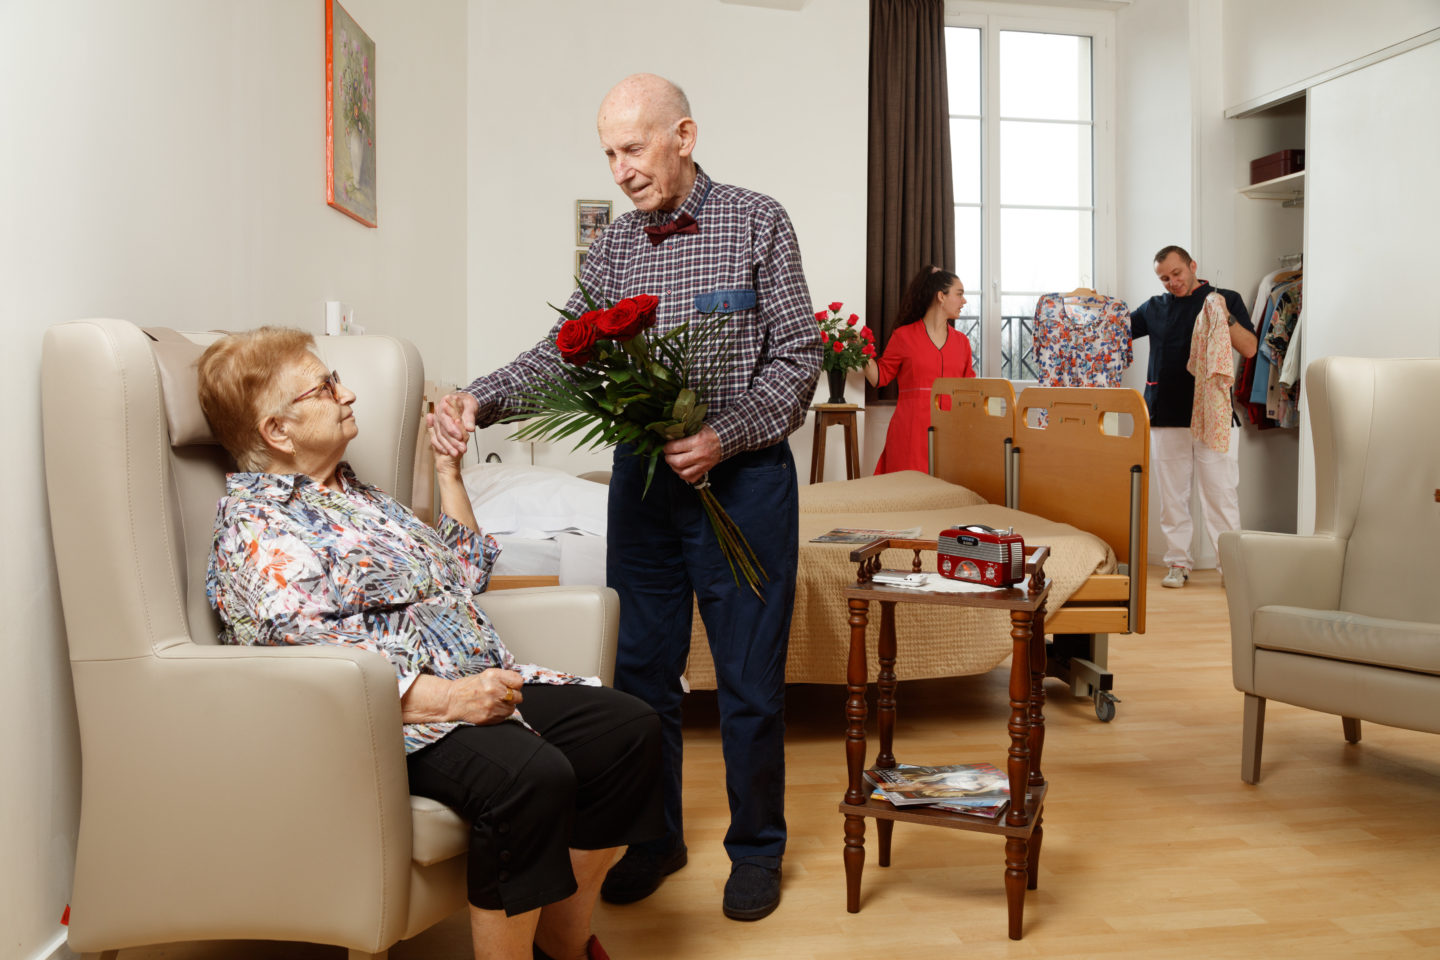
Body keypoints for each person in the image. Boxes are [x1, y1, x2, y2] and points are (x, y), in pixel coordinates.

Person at [432, 74, 820, 922]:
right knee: (644, 678)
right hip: (643, 485)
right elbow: (563, 352)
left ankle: (757, 849)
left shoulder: (759, 219)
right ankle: (655, 839)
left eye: (633, 148)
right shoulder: (612, 247)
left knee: (750, 683)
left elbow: (798, 359)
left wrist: (725, 435)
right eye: (608, 153)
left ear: (683, 134)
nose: (621, 170)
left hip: (743, 484)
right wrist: (477, 397)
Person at [198, 327, 663, 960]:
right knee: (531, 777)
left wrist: (448, 473)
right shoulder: (259, 530)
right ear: (278, 431)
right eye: (327, 385)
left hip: (476, 682)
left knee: (629, 731)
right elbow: (305, 658)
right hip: (391, 719)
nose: (348, 392)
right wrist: (450, 700)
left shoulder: (357, 494)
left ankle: (563, 938)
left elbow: (462, 576)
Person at [1130, 245, 1258, 588]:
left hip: (1214, 413)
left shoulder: (1223, 298)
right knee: (1172, 498)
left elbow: (1249, 348)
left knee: (1221, 495)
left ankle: (1230, 569)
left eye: (1177, 274)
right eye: (1164, 278)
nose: (1172, 282)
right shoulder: (1154, 308)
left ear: (1193, 267)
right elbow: (1114, 336)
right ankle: (1177, 562)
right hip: (1165, 413)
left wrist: (1226, 315)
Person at [863, 266, 976, 474]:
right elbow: (879, 378)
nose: (964, 301)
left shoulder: (962, 342)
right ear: (941, 296)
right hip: (910, 432)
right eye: (959, 294)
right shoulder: (903, 336)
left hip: (951, 432)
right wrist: (859, 351)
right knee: (907, 494)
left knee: (947, 496)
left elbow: (970, 389)